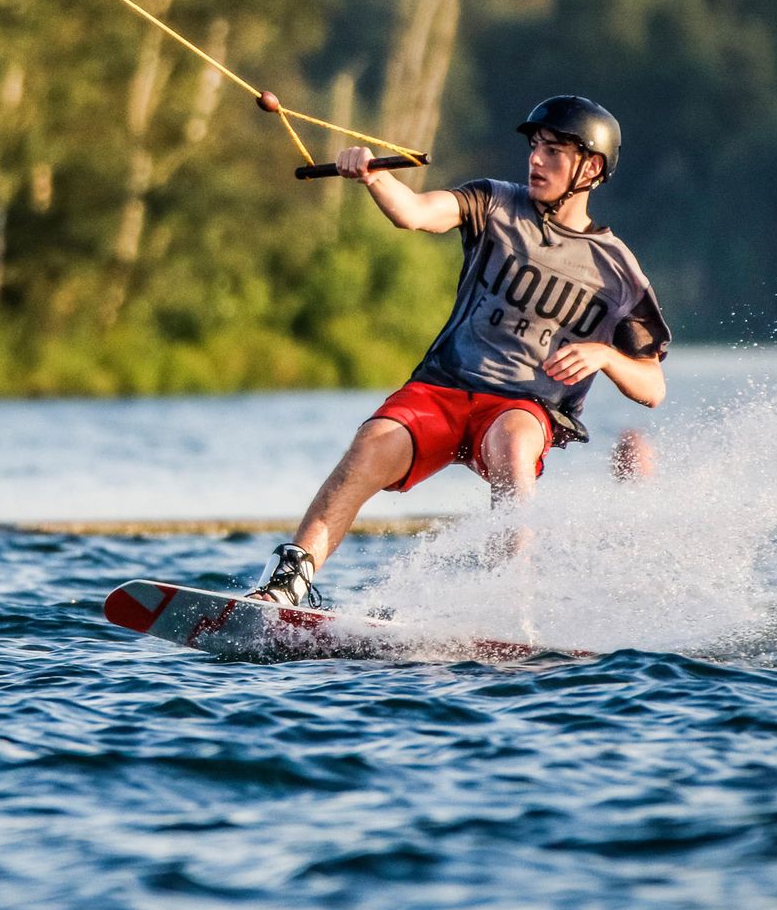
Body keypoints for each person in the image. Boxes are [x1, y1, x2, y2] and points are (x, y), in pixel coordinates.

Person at [251, 95, 670, 606]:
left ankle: (508, 601)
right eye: (534, 147)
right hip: (442, 388)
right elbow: (415, 213)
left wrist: (605, 357)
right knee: (368, 446)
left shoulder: (618, 270)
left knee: (515, 444)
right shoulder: (493, 201)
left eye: (553, 151)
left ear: (592, 167)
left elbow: (653, 387)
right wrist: (371, 175)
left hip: (522, 406)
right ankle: (288, 582)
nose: (536, 159)